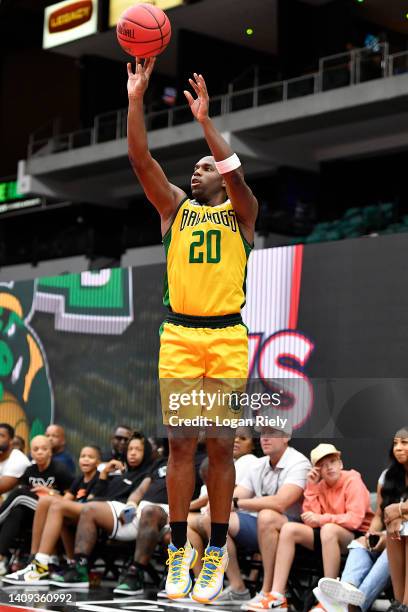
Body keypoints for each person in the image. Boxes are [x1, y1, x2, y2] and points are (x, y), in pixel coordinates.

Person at [127, 57, 258, 603]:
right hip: (180, 336)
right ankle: (179, 552)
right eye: (196, 167)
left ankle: (213, 557)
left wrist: (206, 121)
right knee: (181, 446)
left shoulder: (243, 213)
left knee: (220, 448)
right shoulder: (174, 210)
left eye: (205, 166)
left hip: (227, 337)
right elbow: (140, 158)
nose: (195, 171)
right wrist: (136, 98)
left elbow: (235, 173)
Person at [249, 443, 374, 612]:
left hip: (356, 539)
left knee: (329, 528)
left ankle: (329, 600)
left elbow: (354, 520)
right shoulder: (318, 486)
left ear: (340, 464)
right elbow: (310, 520)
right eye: (322, 465)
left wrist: (321, 519)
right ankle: (277, 596)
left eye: (332, 461)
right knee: (290, 529)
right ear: (317, 471)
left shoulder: (352, 480)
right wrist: (312, 487)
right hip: (326, 534)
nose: (329, 467)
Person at [214, 426, 311, 607]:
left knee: (267, 516)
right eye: (263, 434)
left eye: (272, 434)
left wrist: (236, 504)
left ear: (286, 437)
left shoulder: (299, 462)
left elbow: (281, 503)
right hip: (264, 528)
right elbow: (240, 492)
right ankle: (238, 588)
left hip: (297, 528)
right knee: (215, 519)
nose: (265, 438)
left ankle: (267, 591)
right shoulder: (259, 464)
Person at [48, 433, 154, 587]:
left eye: (138, 449)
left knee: (60, 505)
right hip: (99, 509)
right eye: (130, 449)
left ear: (146, 454)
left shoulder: (146, 475)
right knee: (59, 510)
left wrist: (124, 520)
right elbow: (96, 496)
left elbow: (138, 505)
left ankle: (48, 563)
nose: (132, 452)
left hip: (124, 517)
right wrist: (104, 475)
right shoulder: (119, 474)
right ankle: (72, 564)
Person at [3, 445, 101, 585]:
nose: (85, 460)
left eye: (90, 457)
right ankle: (35, 559)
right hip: (75, 514)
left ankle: (41, 564)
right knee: (46, 501)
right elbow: (65, 501)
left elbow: (91, 505)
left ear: (98, 462)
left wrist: (51, 494)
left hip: (90, 516)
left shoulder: (99, 478)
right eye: (82, 456)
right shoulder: (79, 479)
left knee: (52, 504)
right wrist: (50, 493)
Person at [0, 435, 73, 576]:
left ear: (50, 452)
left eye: (44, 449)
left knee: (20, 494)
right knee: (17, 511)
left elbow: (71, 497)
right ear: (31, 453)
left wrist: (50, 492)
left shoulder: (59, 469)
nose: (40, 452)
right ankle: (1, 559)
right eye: (36, 449)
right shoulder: (30, 471)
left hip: (55, 509)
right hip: (35, 513)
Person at [376, 427, 408, 611]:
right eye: (395, 443)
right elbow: (382, 514)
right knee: (395, 530)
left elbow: (392, 510)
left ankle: (406, 604)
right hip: (394, 532)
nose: (398, 448)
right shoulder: (388, 476)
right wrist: (394, 518)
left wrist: (399, 511)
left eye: (404, 443)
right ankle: (399, 603)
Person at [0, 423, 30, 495]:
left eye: (1, 435)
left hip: (14, 504)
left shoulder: (18, 459)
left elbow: (1, 488)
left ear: (11, 441)